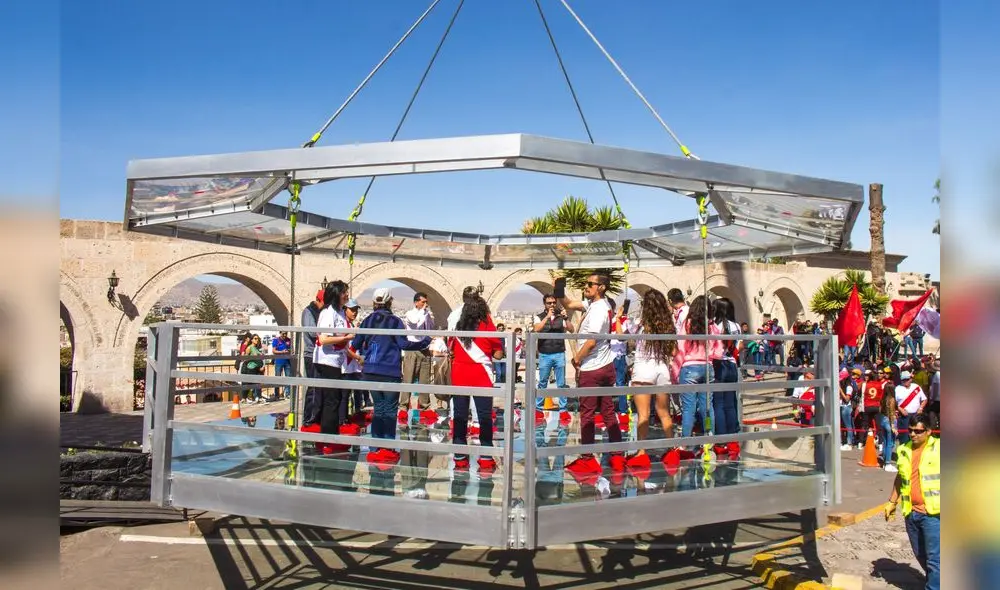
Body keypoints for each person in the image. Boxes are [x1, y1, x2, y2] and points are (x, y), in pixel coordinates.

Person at [351, 287, 431, 465]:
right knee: (389, 410)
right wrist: (425, 340)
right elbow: (403, 344)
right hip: (389, 372)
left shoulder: (367, 321)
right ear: (389, 302)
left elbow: (355, 343)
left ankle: (375, 446)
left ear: (374, 303)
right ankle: (387, 446)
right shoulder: (395, 322)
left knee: (379, 409)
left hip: (370, 371)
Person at [557, 272, 625, 475]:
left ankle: (587, 459)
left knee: (587, 414)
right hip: (604, 366)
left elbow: (592, 341)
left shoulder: (599, 310)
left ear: (601, 288)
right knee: (607, 412)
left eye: (590, 284)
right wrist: (559, 289)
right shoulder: (594, 306)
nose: (586, 287)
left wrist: (577, 359)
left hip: (592, 368)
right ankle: (617, 455)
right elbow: (569, 304)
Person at [620, 288, 676, 467]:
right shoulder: (667, 325)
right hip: (662, 369)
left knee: (643, 415)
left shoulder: (639, 324)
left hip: (643, 369)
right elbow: (673, 351)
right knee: (664, 413)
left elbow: (621, 337)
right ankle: (672, 449)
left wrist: (618, 318)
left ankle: (642, 451)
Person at [884, 414, 940, 590]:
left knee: (934, 558)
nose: (913, 434)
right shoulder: (905, 450)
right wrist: (892, 501)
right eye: (910, 430)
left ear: (929, 432)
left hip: (933, 514)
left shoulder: (939, 448)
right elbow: (900, 477)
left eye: (918, 431)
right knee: (920, 554)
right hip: (911, 512)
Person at [449, 294, 502, 472]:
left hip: (460, 374)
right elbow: (498, 354)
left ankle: (460, 457)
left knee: (460, 416)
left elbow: (451, 350)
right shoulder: (487, 326)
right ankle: (486, 457)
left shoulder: (458, 328)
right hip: (482, 375)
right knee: (484, 417)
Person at [670, 295, 721, 448]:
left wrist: (675, 372)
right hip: (707, 367)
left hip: (689, 367)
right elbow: (719, 352)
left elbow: (680, 349)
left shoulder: (687, 325)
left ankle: (685, 441)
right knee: (707, 405)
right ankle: (709, 438)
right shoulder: (713, 327)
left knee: (688, 408)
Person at [312, 281, 353, 447]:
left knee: (334, 399)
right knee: (331, 400)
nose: (347, 296)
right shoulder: (328, 313)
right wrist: (345, 338)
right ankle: (328, 438)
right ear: (337, 294)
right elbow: (324, 339)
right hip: (327, 361)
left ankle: (330, 434)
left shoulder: (340, 313)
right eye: (344, 293)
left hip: (336, 361)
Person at [532, 292, 573, 411]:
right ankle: (539, 408)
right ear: (544, 304)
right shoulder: (539, 317)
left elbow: (571, 329)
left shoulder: (561, 316)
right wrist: (547, 317)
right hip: (545, 354)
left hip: (559, 352)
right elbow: (537, 329)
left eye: (554, 303)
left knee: (561, 383)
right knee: (543, 382)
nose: (552, 305)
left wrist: (566, 318)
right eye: (549, 303)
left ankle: (563, 409)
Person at [710, 298, 741, 451]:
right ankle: (733, 438)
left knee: (718, 404)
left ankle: (721, 440)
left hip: (719, 364)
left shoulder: (715, 325)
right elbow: (739, 346)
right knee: (730, 403)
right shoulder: (737, 326)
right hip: (732, 365)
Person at [401, 291, 435, 412]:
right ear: (416, 302)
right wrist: (423, 312)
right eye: (423, 302)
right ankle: (404, 406)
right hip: (412, 350)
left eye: (426, 302)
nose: (425, 304)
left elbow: (431, 328)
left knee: (424, 380)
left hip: (424, 349)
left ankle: (425, 406)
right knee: (408, 379)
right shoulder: (410, 314)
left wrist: (427, 316)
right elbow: (416, 324)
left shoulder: (426, 314)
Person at [300, 290, 324, 431]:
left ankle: (316, 417)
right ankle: (308, 419)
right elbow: (311, 331)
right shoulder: (308, 312)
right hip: (311, 354)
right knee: (313, 388)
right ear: (318, 300)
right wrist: (327, 334)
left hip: (319, 354)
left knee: (319, 388)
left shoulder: (321, 312)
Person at [895, 370, 928, 445]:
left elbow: (924, 400)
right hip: (903, 417)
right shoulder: (897, 388)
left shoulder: (916, 387)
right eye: (903, 380)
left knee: (916, 437)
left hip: (916, 416)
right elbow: (893, 403)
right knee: (904, 438)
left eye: (907, 379)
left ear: (910, 379)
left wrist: (921, 408)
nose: (905, 381)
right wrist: (900, 409)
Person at [270, 331, 292, 401]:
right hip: (279, 361)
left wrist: (289, 351)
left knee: (288, 378)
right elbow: (274, 351)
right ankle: (277, 395)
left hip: (287, 361)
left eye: (286, 333)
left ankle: (288, 394)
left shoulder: (289, 340)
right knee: (277, 378)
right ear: (280, 333)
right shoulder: (276, 340)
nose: (284, 335)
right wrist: (282, 352)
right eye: (283, 334)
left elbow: (291, 349)